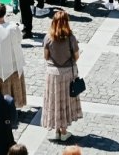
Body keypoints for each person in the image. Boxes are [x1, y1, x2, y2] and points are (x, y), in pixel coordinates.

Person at [42, 10, 83, 141]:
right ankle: (64, 131)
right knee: (66, 101)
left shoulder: (48, 37)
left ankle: (56, 131)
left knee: (54, 101)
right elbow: (76, 56)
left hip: (52, 74)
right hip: (67, 73)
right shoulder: (71, 37)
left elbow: (46, 56)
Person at [0, 2, 27, 107]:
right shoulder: (13, 27)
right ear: (5, 13)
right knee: (14, 87)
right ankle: (15, 105)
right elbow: (19, 39)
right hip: (13, 64)